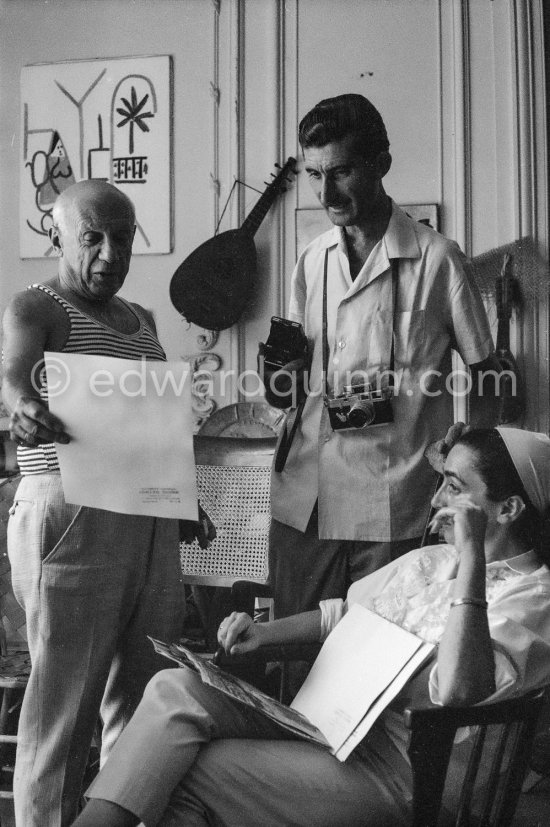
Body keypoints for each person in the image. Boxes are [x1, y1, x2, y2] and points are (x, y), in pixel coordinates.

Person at [73, 426, 550, 827]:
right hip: (328, 724)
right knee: (173, 688)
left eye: (454, 486)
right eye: (441, 481)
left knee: (193, 770)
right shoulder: (430, 560)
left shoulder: (534, 598)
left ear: (508, 509)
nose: (436, 499)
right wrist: (264, 634)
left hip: (407, 771)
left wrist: (472, 558)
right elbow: (344, 616)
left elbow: (460, 688)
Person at [1, 180, 212, 827]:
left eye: (122, 237)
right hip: (70, 512)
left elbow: (155, 423)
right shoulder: (37, 306)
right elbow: (12, 374)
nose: (110, 252)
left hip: (147, 516)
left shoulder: (142, 319)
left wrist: (186, 498)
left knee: (143, 697)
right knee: (64, 707)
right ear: (58, 235)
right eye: (92, 237)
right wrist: (22, 405)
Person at [261, 93, 501, 620]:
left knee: (382, 648)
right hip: (305, 498)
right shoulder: (312, 259)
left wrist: (465, 463)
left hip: (394, 500)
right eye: (315, 175)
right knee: (290, 650)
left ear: (380, 164)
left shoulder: (438, 259)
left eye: (341, 172)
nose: (327, 193)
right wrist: (281, 377)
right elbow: (292, 378)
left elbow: (488, 374)